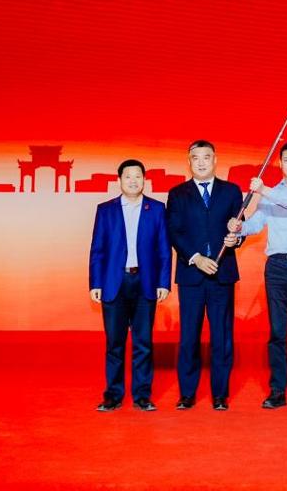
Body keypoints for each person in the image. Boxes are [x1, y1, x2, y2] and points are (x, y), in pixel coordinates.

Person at [229, 140, 287, 409]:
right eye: (286, 160)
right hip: (277, 267)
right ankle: (277, 391)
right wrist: (239, 226)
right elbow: (256, 225)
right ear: (280, 163)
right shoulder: (271, 195)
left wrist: (263, 190)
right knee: (277, 332)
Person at [166, 140, 243, 411]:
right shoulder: (177, 194)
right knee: (189, 336)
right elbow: (174, 232)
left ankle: (220, 395)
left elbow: (239, 228)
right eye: (195, 158)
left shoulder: (232, 191)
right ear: (189, 162)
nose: (201, 162)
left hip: (222, 275)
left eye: (206, 157)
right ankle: (187, 394)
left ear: (215, 160)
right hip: (192, 275)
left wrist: (237, 238)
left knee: (222, 337)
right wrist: (196, 258)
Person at [88, 159, 171, 412]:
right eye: (128, 177)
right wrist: (95, 282)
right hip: (114, 282)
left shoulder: (156, 209)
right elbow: (98, 249)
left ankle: (142, 396)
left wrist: (163, 282)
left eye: (138, 176)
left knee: (143, 342)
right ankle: (113, 395)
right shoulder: (106, 210)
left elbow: (164, 250)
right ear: (119, 180)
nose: (133, 181)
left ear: (144, 180)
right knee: (115, 343)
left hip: (145, 282)